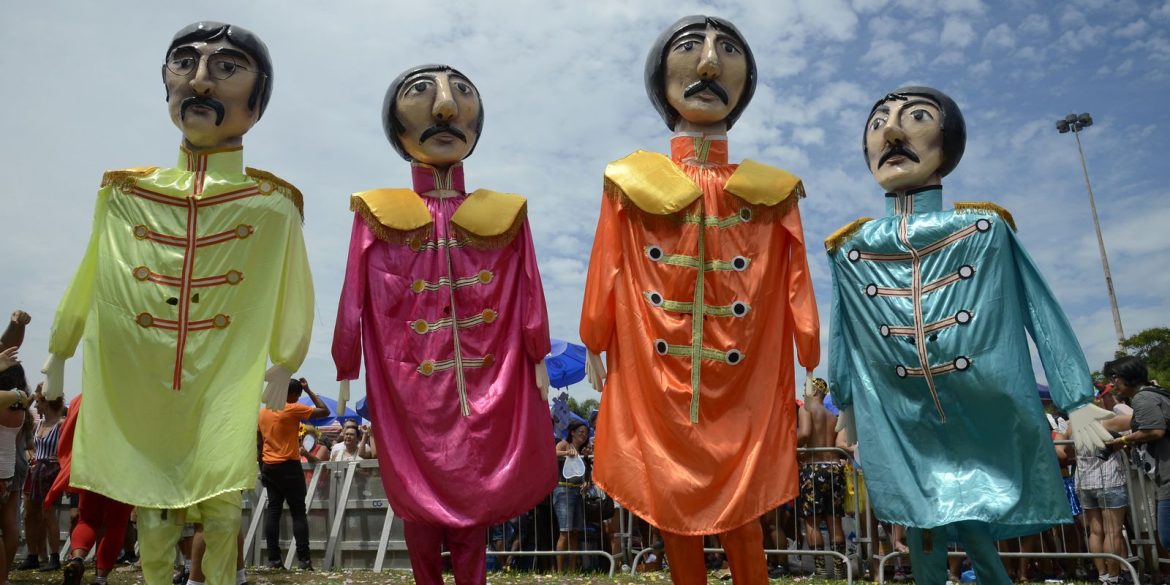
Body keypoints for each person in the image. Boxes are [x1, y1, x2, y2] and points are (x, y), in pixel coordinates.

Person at [39, 20, 313, 585]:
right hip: (140, 375)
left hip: (223, 377)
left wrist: (286, 360)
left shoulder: (272, 204)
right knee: (151, 509)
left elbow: (294, 284)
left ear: (259, 98)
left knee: (219, 507)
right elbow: (90, 270)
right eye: (185, 63)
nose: (202, 82)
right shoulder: (123, 193)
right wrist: (59, 349)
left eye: (228, 67)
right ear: (165, 84)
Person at [825, 86, 1113, 585]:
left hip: (981, 411)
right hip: (902, 417)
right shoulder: (851, 247)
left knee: (974, 513)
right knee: (923, 523)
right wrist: (846, 404)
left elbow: (1038, 309)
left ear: (948, 141)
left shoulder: (984, 228)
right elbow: (843, 331)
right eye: (879, 123)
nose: (892, 132)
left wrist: (1075, 398)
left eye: (915, 117)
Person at [580, 15, 819, 585]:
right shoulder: (630, 182)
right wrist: (596, 335)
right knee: (671, 510)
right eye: (690, 49)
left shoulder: (772, 191)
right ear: (660, 78)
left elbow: (796, 277)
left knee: (744, 516)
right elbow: (605, 263)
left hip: (744, 384)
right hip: (657, 376)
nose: (709, 65)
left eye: (726, 52)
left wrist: (808, 351)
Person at [332, 63, 555, 585]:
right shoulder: (376, 213)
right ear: (396, 123)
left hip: (486, 383)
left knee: (474, 498)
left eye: (460, 95)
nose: (445, 107)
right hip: (406, 383)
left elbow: (529, 284)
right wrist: (347, 361)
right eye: (422, 94)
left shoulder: (505, 214)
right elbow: (353, 294)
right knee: (416, 500)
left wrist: (536, 351)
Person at [257, 378, 328, 570]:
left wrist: (262, 463)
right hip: (289, 465)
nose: (297, 399)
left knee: (273, 511)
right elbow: (324, 411)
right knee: (298, 512)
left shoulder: (262, 412)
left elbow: (258, 442)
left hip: (269, 467)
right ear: (291, 395)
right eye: (297, 395)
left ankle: (274, 560)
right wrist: (309, 391)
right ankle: (304, 560)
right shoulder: (291, 408)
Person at [1104, 356, 1170, 553]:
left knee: (1167, 537)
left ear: (1128, 375)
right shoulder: (1157, 394)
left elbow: (1155, 431)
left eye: (1114, 377)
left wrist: (1122, 440)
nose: (1112, 383)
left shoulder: (1143, 397)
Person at [796, 377, 846, 578]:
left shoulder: (806, 410)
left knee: (812, 520)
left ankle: (821, 570)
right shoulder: (832, 416)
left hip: (813, 469)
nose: (802, 394)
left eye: (804, 389)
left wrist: (788, 441)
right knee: (834, 519)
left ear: (814, 391)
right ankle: (839, 569)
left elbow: (806, 434)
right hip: (834, 468)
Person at [17, 386, 65, 572]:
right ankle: (32, 555)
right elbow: (21, 414)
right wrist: (32, 396)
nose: (36, 406)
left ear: (47, 402)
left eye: (38, 402)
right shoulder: (38, 425)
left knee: (48, 514)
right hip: (35, 469)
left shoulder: (60, 424)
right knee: (30, 515)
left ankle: (54, 557)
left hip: (51, 470)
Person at [0, 364, 30, 585]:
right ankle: (5, 576)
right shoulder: (21, 409)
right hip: (8, 472)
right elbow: (18, 441)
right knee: (10, 525)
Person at [553, 421, 591, 572]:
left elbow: (585, 474)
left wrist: (587, 483)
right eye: (580, 431)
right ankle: (560, 572)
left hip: (578, 492)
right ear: (572, 432)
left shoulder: (584, 452)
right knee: (564, 532)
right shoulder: (564, 444)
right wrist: (566, 453)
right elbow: (552, 452)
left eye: (585, 432)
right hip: (564, 490)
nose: (583, 434)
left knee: (575, 532)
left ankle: (573, 570)